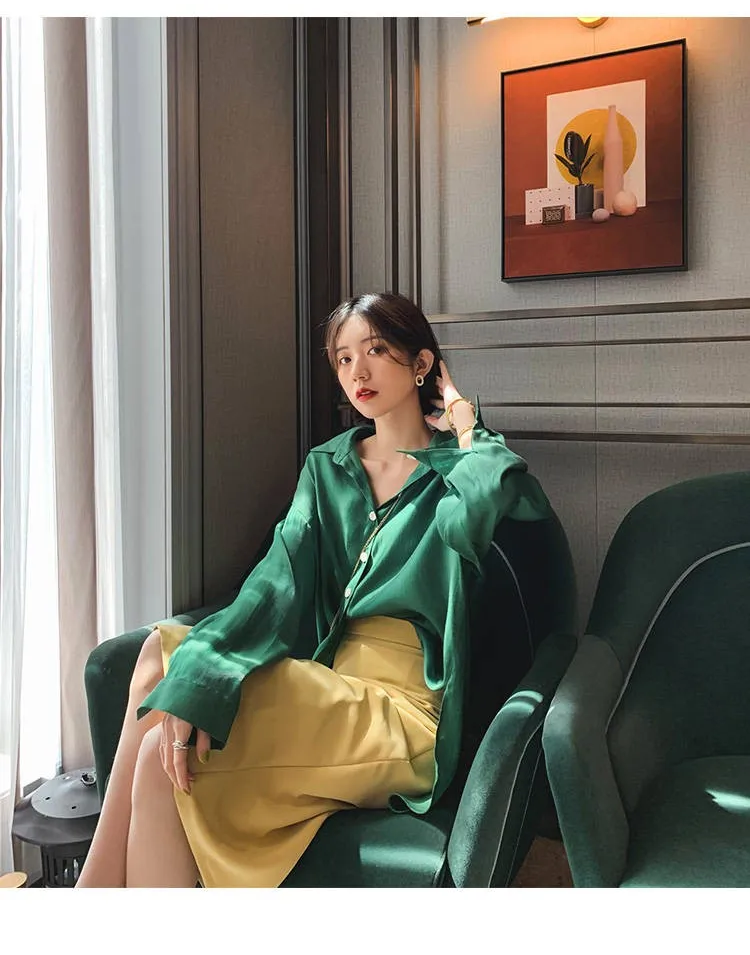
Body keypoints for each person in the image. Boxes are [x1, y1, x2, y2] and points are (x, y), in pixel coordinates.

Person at [76, 291, 551, 888]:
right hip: (329, 681)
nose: (358, 372)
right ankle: (94, 893)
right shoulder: (328, 466)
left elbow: (496, 498)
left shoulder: (455, 470)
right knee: (158, 656)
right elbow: (275, 582)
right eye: (344, 358)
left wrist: (461, 420)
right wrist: (203, 670)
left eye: (376, 351)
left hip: (403, 712)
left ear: (421, 363)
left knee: (165, 754)